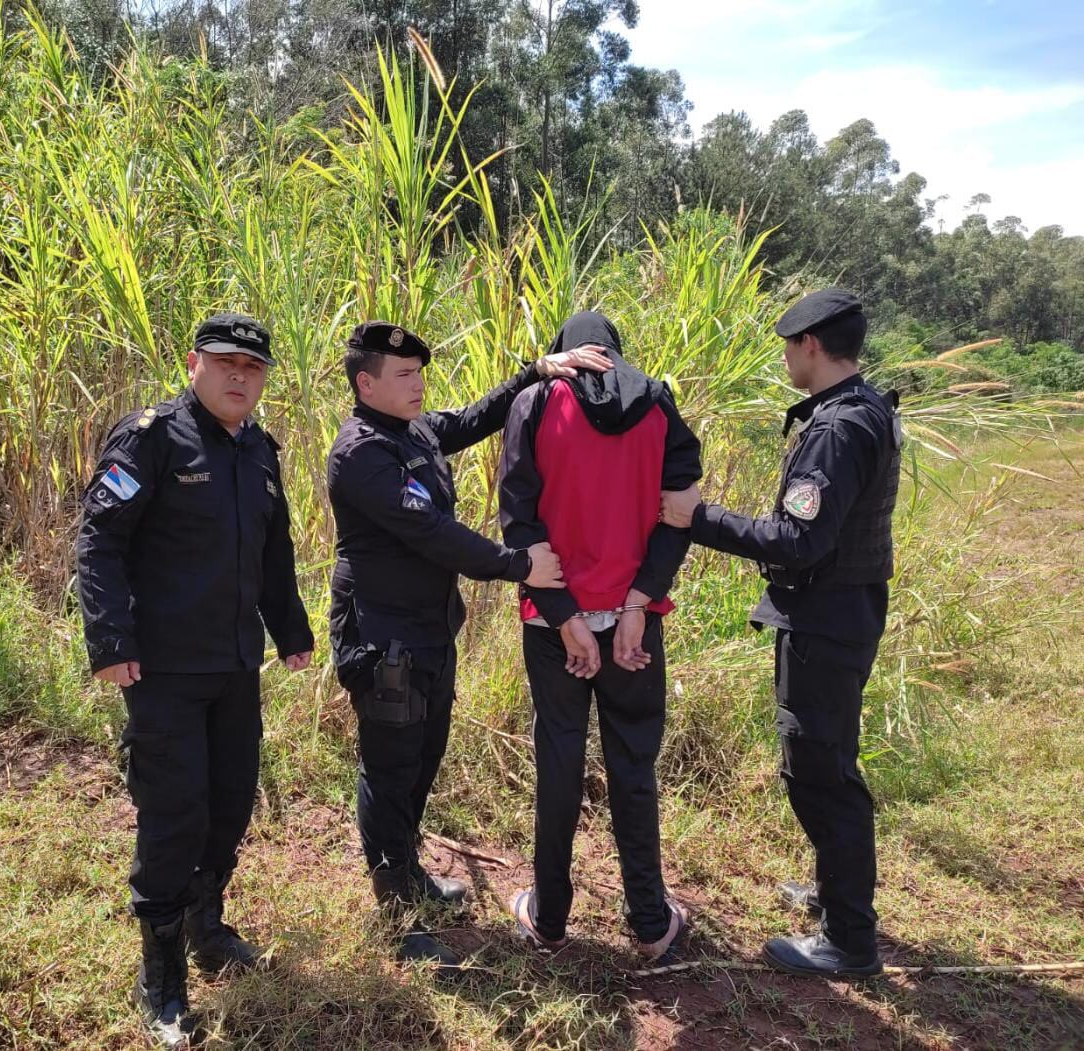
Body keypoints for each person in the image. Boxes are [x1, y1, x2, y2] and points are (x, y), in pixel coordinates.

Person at [327, 320, 611, 971]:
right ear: (366, 383)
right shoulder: (362, 453)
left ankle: (409, 873)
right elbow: (431, 532)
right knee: (391, 768)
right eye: (403, 375)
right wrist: (519, 565)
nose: (418, 383)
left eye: (420, 372)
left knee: (423, 758)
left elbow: (476, 416)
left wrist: (538, 371)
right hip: (383, 637)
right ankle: (395, 913)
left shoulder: (413, 430)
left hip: (429, 631)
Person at [77, 313, 314, 1047]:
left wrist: (293, 630)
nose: (240, 376)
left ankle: (208, 926)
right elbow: (100, 539)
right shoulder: (151, 439)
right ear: (194, 363)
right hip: (164, 669)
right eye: (226, 363)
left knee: (230, 804)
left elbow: (273, 556)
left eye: (253, 366)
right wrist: (110, 638)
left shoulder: (260, 453)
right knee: (173, 814)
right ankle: (162, 975)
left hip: (236, 665)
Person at [661, 288, 901, 978]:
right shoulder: (864, 409)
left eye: (790, 346)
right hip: (841, 613)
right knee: (824, 762)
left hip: (826, 621)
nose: (786, 357)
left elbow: (798, 540)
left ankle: (850, 939)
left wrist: (696, 516)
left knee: (821, 775)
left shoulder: (836, 429)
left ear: (813, 347)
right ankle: (833, 893)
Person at [497, 311, 703, 959]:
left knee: (559, 761)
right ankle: (649, 920)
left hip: (556, 628)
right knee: (633, 764)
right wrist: (638, 601)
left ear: (567, 352)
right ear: (617, 352)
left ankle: (550, 919)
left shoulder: (534, 404)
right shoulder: (659, 403)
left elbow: (518, 521)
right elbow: (682, 513)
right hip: (634, 627)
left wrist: (564, 616)